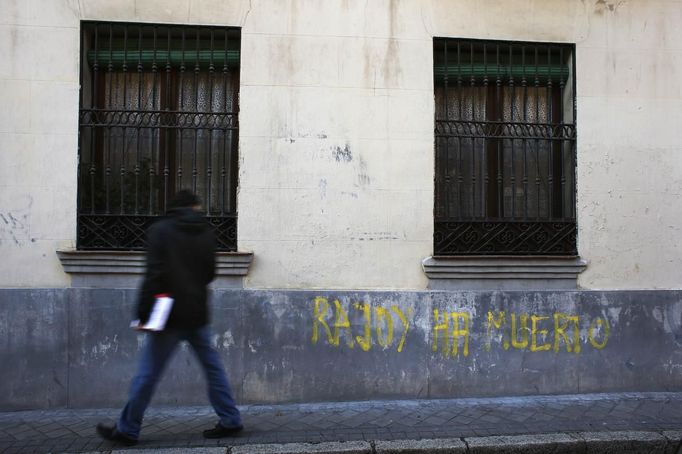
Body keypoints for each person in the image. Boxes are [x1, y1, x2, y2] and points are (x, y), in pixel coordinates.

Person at [96, 190, 243, 446]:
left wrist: (143, 314)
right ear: (192, 206)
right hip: (197, 312)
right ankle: (231, 419)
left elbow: (154, 275)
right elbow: (210, 273)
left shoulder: (160, 231)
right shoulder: (207, 232)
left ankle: (128, 429)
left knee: (148, 373)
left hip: (168, 316)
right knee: (213, 369)